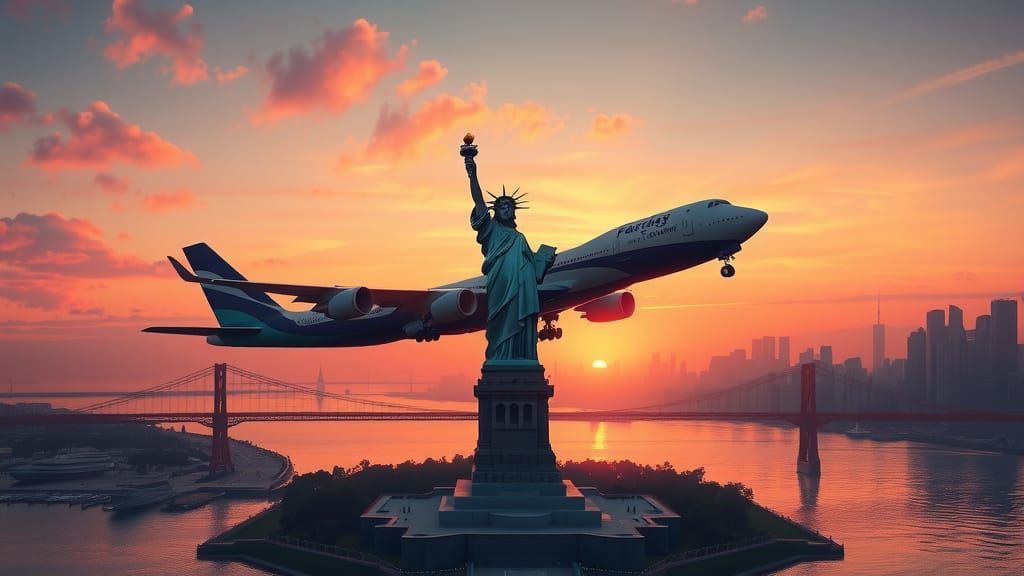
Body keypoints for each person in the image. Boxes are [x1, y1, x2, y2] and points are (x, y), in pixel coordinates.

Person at [462, 135, 554, 361]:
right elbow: (479, 201)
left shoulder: (520, 238)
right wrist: (472, 172)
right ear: (495, 211)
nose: (505, 208)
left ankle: (521, 358)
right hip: (501, 284)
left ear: (514, 211)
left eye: (509, 206)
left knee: (523, 326)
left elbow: (534, 272)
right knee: (500, 321)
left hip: (523, 289)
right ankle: (500, 359)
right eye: (501, 206)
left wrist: (543, 260)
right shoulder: (490, 229)